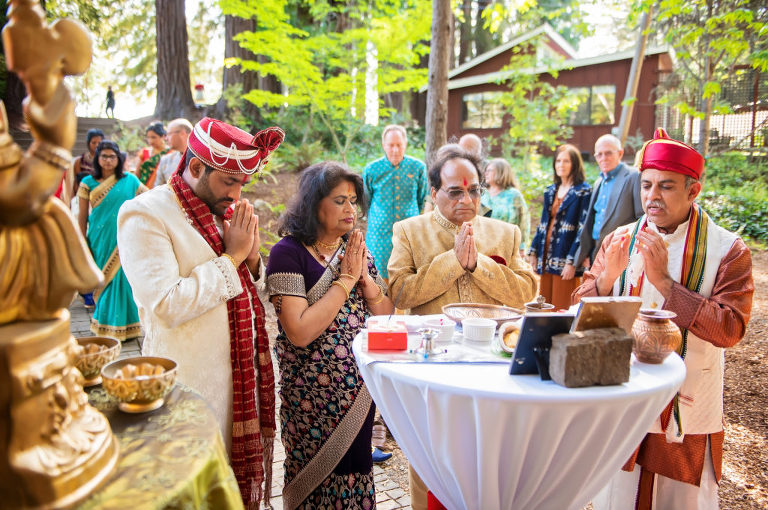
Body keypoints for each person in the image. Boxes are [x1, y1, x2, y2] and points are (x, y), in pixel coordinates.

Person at [573, 129, 754, 510]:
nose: (651, 197)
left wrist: (666, 284)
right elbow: (579, 308)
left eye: (666, 187)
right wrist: (606, 279)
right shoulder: (619, 239)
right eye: (646, 185)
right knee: (618, 493)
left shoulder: (727, 251)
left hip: (685, 404)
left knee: (679, 497)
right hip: (624, 393)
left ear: (694, 191)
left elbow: (730, 328)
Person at [116, 117, 285, 508]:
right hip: (188, 386)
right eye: (229, 181)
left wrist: (253, 256)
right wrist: (234, 256)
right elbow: (166, 304)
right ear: (195, 168)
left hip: (240, 384)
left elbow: (254, 289)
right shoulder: (144, 214)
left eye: (243, 183)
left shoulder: (221, 208)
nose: (237, 193)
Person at [388, 145, 537, 510]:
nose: (467, 199)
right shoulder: (409, 232)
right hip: (433, 369)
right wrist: (452, 262)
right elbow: (399, 291)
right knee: (431, 457)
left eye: (474, 190)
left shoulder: (505, 233)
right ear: (434, 193)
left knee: (490, 460)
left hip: (494, 368)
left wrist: (479, 264)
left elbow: (525, 293)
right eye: (455, 191)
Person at [265, 161, 394, 509]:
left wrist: (366, 283)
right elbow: (300, 332)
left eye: (353, 200)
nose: (350, 209)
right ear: (313, 205)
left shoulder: (354, 249)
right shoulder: (287, 254)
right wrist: (346, 281)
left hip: (358, 392)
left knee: (357, 473)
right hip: (312, 399)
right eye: (339, 200)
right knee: (317, 483)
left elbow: (385, 316)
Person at [77, 140, 147, 340]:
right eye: (104, 156)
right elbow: (82, 216)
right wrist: (81, 242)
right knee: (104, 280)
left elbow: (150, 199)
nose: (108, 160)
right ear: (97, 159)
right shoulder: (87, 183)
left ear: (119, 159)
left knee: (123, 279)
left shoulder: (131, 181)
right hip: (99, 238)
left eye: (112, 156)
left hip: (125, 237)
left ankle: (128, 326)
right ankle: (106, 325)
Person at [527, 144, 592, 309]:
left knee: (563, 306)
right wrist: (533, 252)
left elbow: (583, 229)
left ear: (575, 164)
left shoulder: (583, 191)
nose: (561, 165)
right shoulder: (550, 191)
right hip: (546, 255)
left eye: (566, 161)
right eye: (558, 161)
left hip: (565, 256)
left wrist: (573, 262)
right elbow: (542, 225)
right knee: (544, 305)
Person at [363, 124, 428, 280]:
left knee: (406, 274)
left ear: (405, 144)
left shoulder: (417, 167)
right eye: (391, 145)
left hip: (409, 232)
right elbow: (366, 200)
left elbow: (421, 198)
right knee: (377, 277)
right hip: (379, 234)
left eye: (399, 145)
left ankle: (402, 305)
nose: (395, 150)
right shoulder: (372, 169)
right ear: (384, 145)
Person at [573, 134, 643, 270]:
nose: (603, 158)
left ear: (620, 153)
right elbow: (592, 219)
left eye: (608, 153)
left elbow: (641, 218)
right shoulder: (599, 182)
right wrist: (586, 252)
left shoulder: (634, 176)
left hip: (621, 255)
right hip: (596, 252)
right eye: (599, 154)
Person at [481, 157, 531, 252]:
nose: (485, 173)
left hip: (507, 247)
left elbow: (524, 221)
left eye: (489, 171)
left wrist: (522, 247)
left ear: (501, 172)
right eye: (485, 171)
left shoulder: (513, 195)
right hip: (483, 246)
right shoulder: (482, 194)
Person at [154, 118, 193, 187]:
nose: (166, 138)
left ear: (182, 133)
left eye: (168, 134)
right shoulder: (165, 161)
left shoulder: (204, 158)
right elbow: (157, 191)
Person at [136, 121, 169, 187]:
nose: (150, 141)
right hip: (142, 191)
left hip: (161, 191)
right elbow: (137, 174)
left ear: (163, 136)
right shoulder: (144, 152)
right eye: (148, 137)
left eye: (153, 137)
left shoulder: (170, 153)